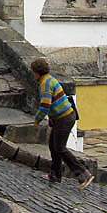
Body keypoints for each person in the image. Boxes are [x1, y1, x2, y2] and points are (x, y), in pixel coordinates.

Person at [31, 58, 94, 189]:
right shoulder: (49, 79)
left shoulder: (44, 84)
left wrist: (37, 120)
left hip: (64, 118)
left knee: (60, 148)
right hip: (63, 117)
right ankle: (55, 175)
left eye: (33, 72)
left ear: (37, 72)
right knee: (53, 146)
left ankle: (83, 174)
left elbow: (45, 105)